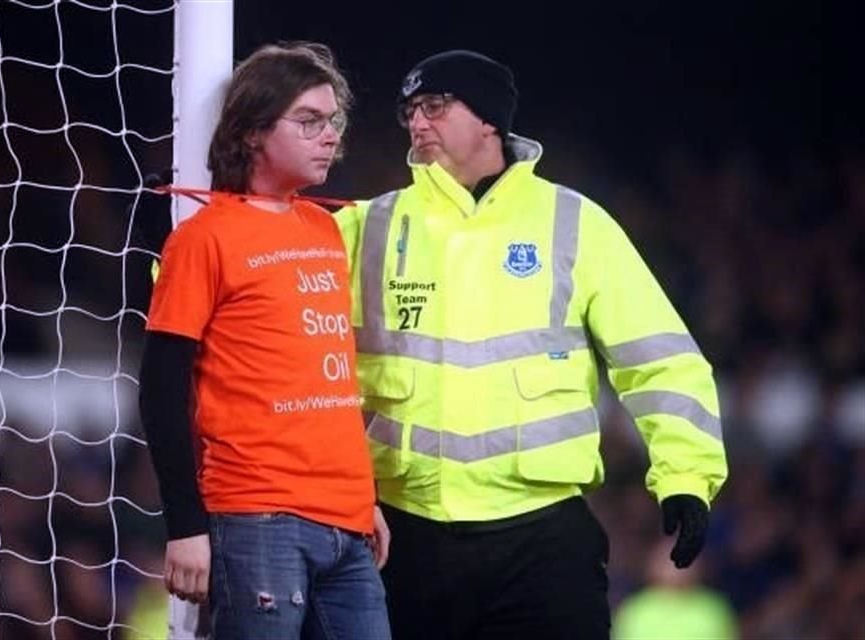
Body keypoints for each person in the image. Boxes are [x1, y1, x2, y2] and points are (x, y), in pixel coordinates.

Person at [334, 49, 729, 640]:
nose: (417, 123)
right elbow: (249, 283)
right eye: (409, 110)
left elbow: (661, 361)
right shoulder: (367, 225)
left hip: (541, 539)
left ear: (489, 119)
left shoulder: (574, 222)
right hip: (402, 533)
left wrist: (686, 478)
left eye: (435, 106)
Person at [139, 42, 391, 640]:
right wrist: (184, 526)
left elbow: (323, 373)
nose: (329, 135)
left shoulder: (324, 228)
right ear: (252, 132)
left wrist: (363, 498)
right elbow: (161, 388)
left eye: (333, 122)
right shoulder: (205, 238)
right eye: (308, 120)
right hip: (256, 518)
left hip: (348, 521)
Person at [613, 539, 737, 640]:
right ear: (653, 566)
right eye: (668, 561)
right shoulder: (634, 610)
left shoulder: (714, 608)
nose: (675, 568)